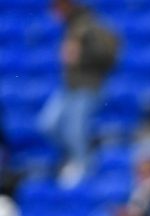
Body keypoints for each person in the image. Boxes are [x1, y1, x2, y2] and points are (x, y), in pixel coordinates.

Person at [37, 0, 119, 188]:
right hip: (69, 86)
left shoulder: (89, 25)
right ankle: (73, 158)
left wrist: (81, 54)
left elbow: (107, 56)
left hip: (88, 86)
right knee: (47, 124)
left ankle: (83, 167)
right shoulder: (70, 26)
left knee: (75, 130)